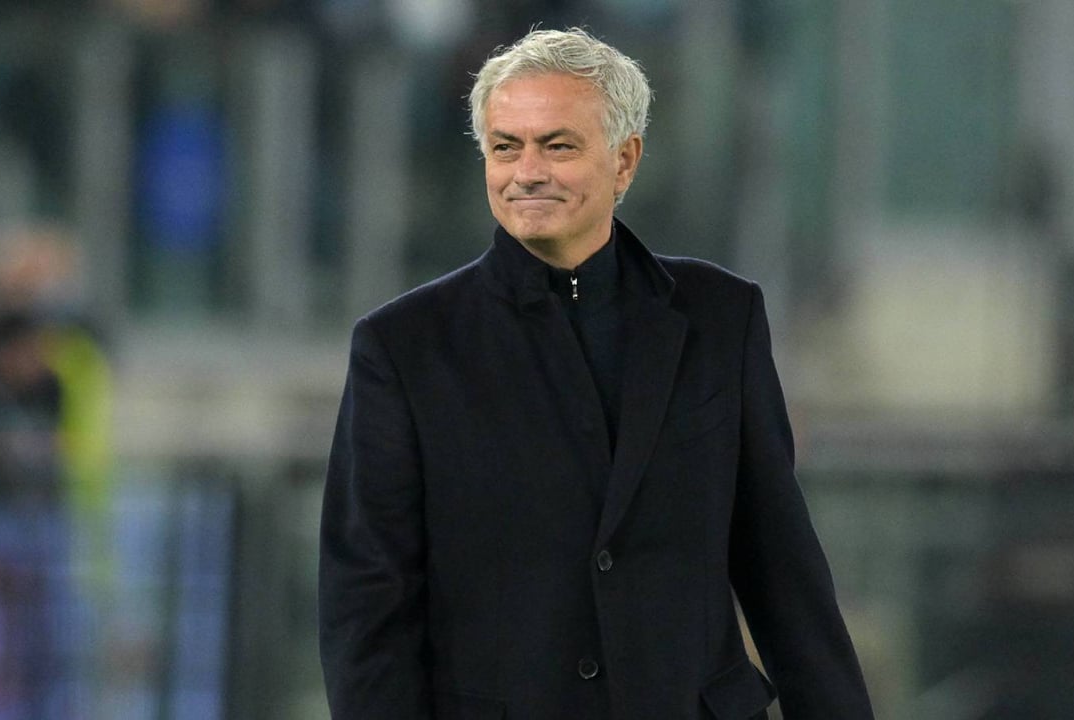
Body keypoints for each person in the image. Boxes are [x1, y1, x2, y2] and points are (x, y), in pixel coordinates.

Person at [318, 27, 875, 720]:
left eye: (558, 146)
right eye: (505, 147)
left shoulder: (722, 318)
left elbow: (783, 572)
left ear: (624, 160)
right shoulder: (403, 347)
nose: (527, 172)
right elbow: (367, 605)